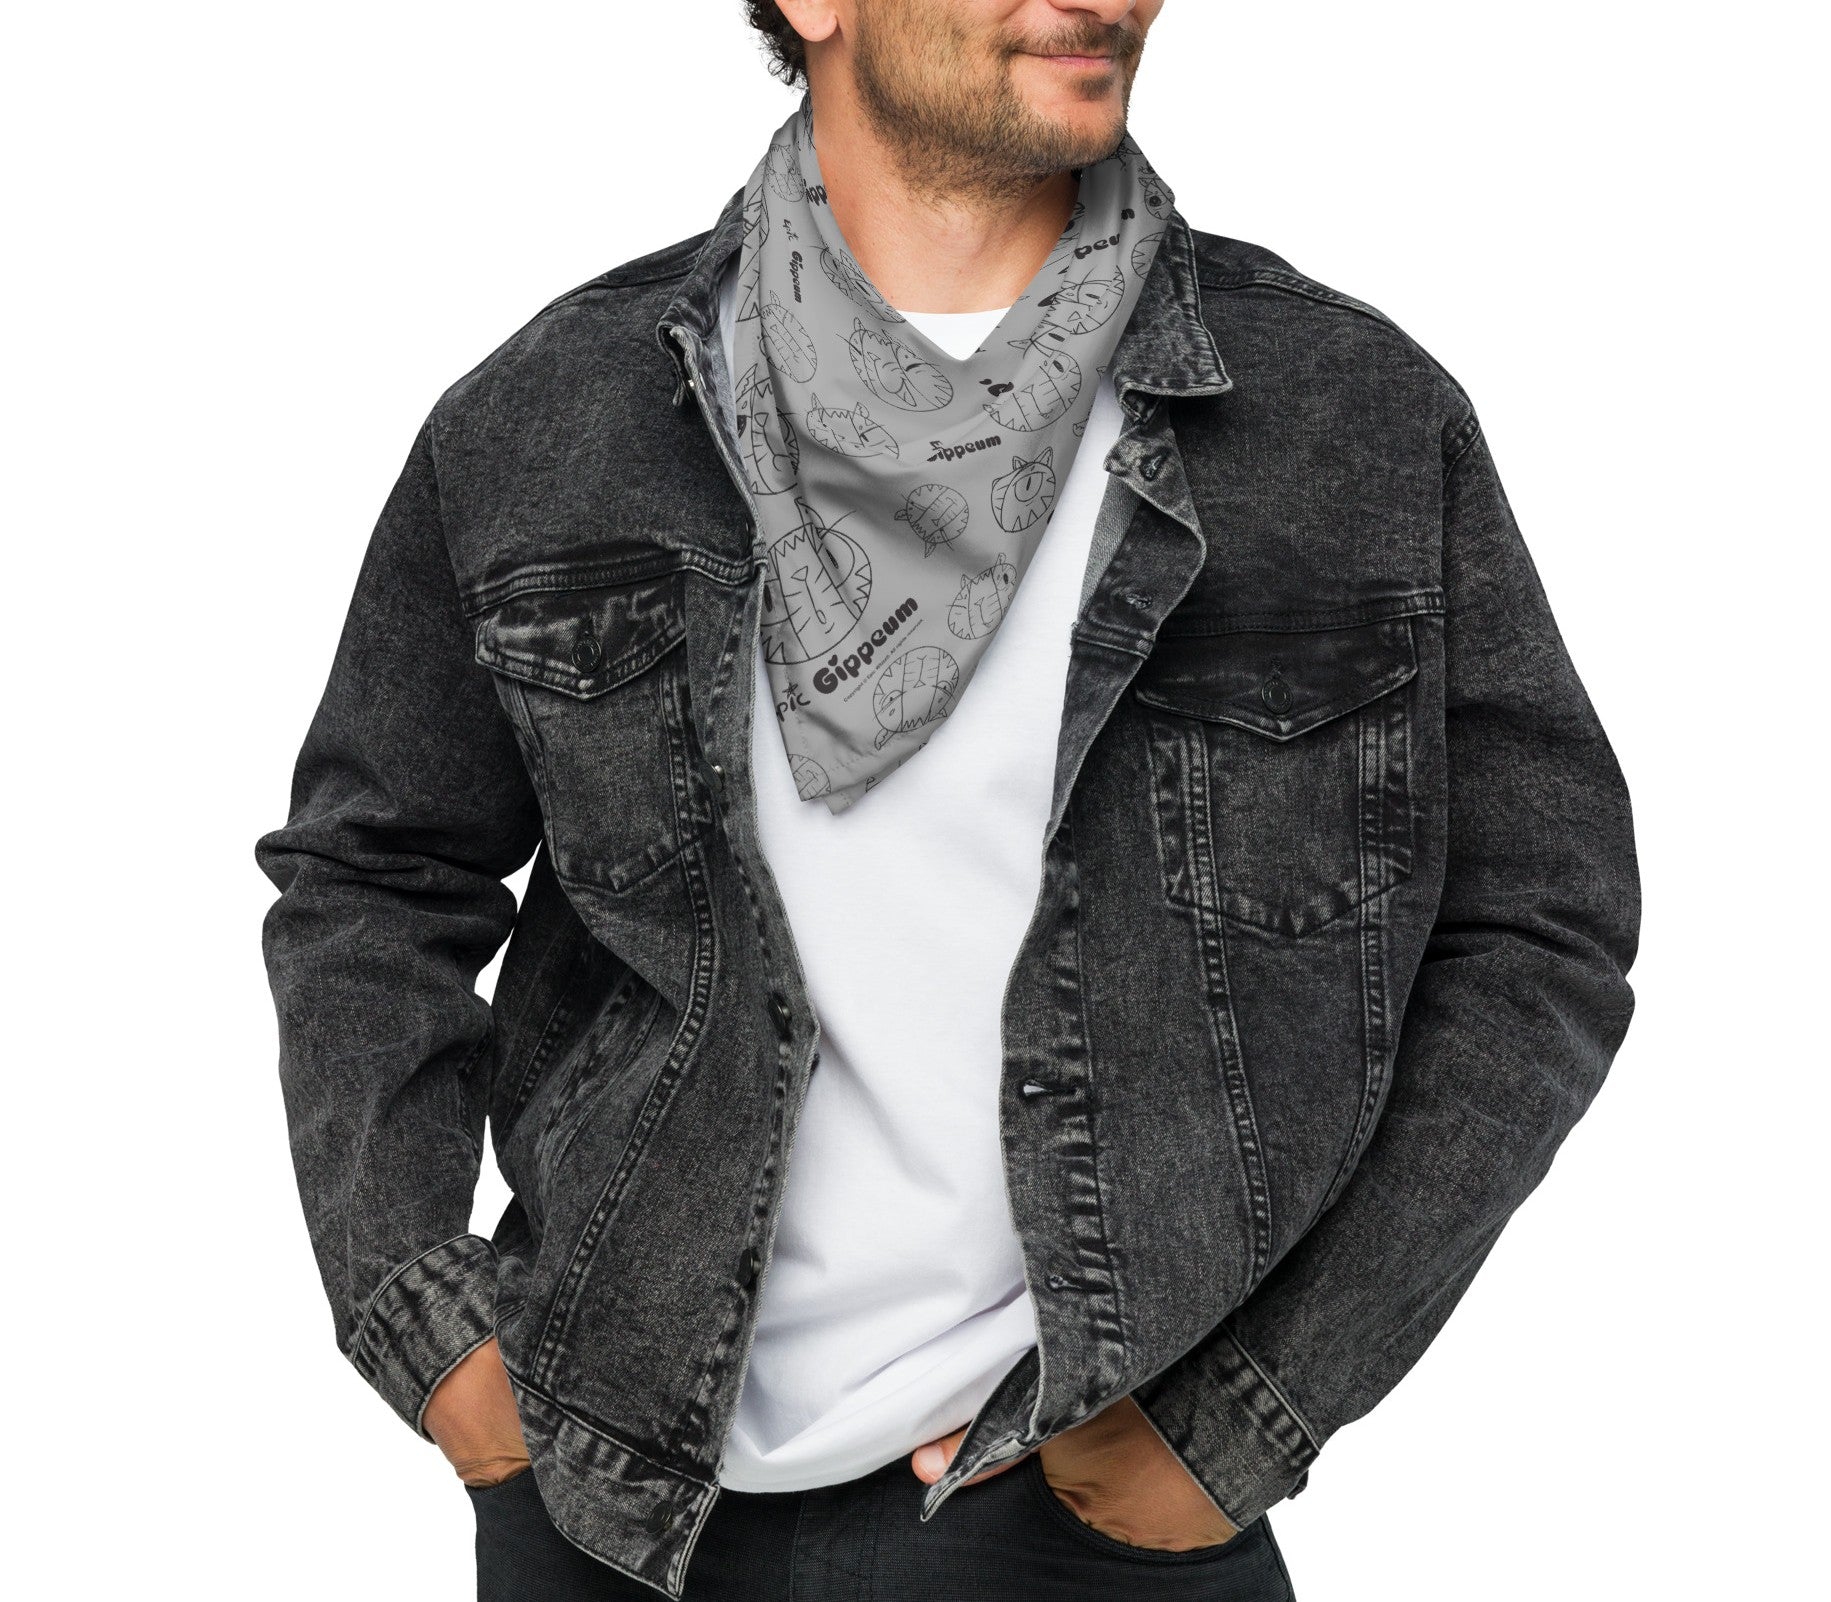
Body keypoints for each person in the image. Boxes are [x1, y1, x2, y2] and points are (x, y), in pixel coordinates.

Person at [254, 2, 1641, 1597]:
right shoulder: (550, 424)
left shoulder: (1350, 420)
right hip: (612, 1510)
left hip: (1086, 1521)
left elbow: (1538, 923)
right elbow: (373, 876)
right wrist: (433, 1329)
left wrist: (1248, 1414)